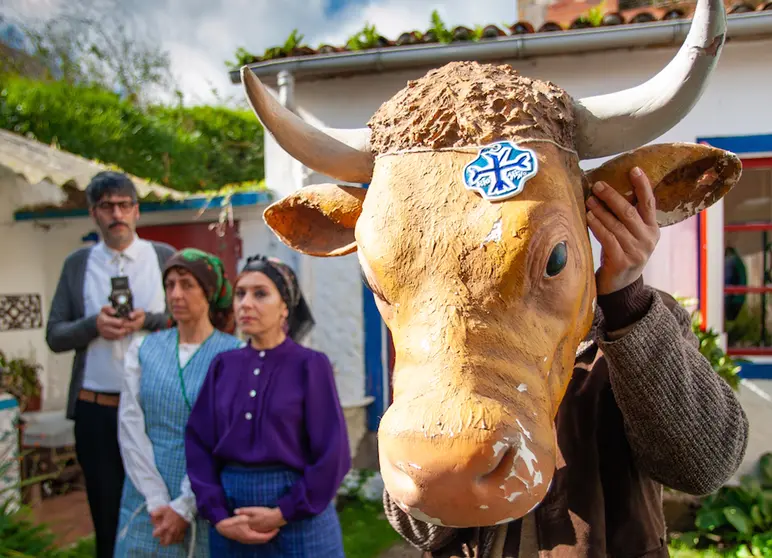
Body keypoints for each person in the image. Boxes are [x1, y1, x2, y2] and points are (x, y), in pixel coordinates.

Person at [382, 168, 750, 556]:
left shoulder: (634, 320)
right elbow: (418, 528)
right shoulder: (439, 333)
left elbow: (704, 465)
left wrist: (625, 302)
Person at [185, 255, 351, 557]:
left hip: (301, 515)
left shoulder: (310, 365)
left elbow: (333, 454)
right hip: (232, 513)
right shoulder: (223, 365)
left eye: (260, 293)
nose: (246, 303)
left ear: (285, 306)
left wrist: (284, 511)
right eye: (240, 293)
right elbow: (197, 443)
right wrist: (219, 516)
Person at [46, 171, 175, 558]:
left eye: (123, 205)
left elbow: (192, 319)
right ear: (93, 214)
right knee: (105, 515)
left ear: (136, 211)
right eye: (106, 207)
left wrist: (148, 320)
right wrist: (93, 325)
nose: (116, 214)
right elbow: (54, 335)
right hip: (96, 410)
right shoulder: (78, 264)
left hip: (155, 407)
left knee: (164, 505)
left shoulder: (163, 257)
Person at [114, 248, 243, 557]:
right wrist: (157, 500)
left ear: (208, 292)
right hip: (145, 492)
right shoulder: (142, 348)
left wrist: (184, 507)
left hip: (204, 493)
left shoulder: (234, 355)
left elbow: (226, 437)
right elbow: (130, 427)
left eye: (187, 284)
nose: (176, 294)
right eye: (170, 285)